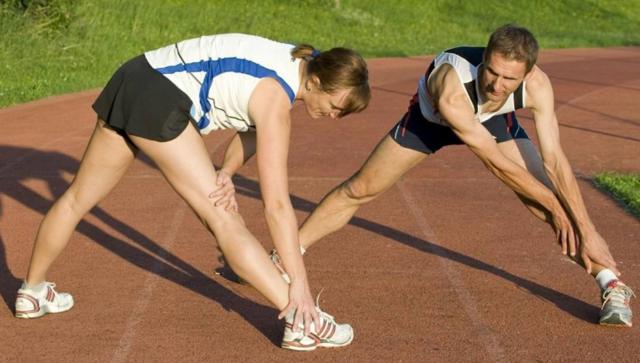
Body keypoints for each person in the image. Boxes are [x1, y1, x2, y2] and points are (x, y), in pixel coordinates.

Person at [215, 25, 634, 327]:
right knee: (359, 189)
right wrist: (560, 211)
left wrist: (581, 223)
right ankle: (286, 256)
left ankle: (610, 281)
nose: (497, 84)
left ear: (527, 75)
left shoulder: (538, 86)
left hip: (493, 125)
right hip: (432, 122)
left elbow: (557, 162)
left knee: (548, 199)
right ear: (483, 60)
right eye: (492, 71)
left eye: (510, 79)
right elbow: (496, 165)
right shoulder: (453, 87)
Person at [14, 33, 371, 351]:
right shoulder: (276, 99)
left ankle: (31, 291)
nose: (335, 116)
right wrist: (300, 287)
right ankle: (302, 320)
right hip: (160, 100)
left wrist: (227, 172)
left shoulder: (291, 63)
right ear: (317, 82)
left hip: (133, 77)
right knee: (225, 219)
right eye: (337, 106)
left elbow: (249, 129)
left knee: (77, 198)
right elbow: (276, 205)